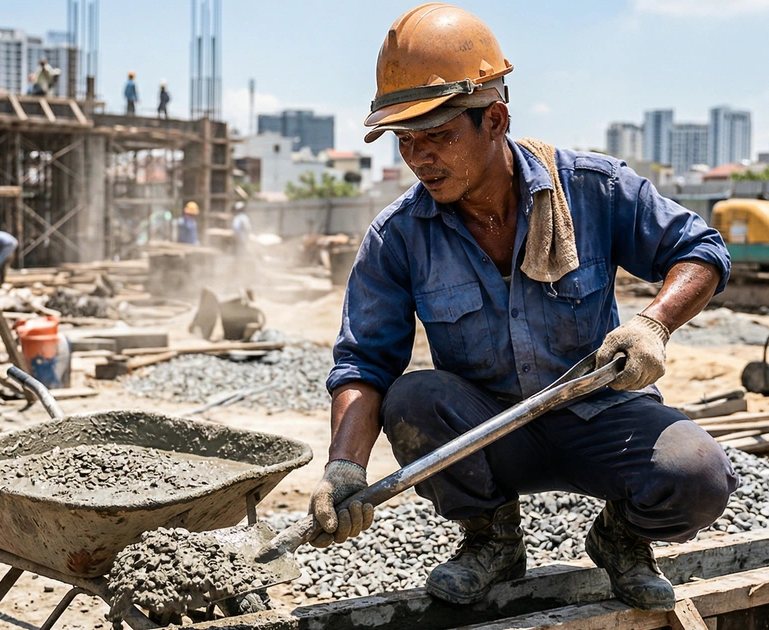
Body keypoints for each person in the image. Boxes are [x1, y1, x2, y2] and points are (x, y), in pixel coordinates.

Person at [310, 4, 737, 612]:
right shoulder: (399, 235)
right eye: (408, 141)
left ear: (496, 119)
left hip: (595, 417)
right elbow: (363, 364)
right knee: (413, 399)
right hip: (486, 433)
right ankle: (491, 540)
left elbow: (700, 249)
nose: (421, 157)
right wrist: (344, 469)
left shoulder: (592, 188)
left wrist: (652, 323)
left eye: (439, 136)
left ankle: (623, 541)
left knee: (698, 475)